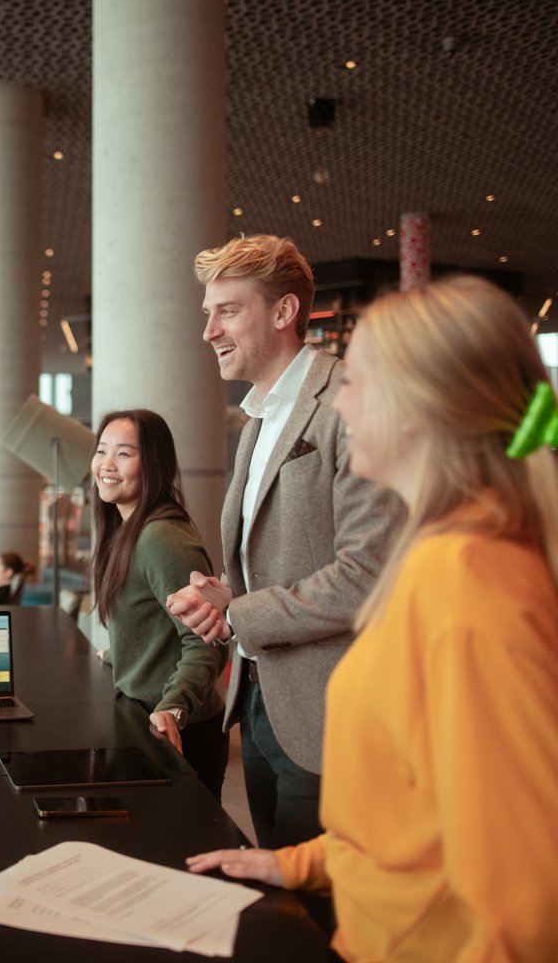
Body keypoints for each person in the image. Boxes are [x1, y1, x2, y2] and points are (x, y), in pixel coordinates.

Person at [187, 275, 558, 961]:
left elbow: (532, 905)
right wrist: (296, 866)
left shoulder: (470, 586)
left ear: (419, 408)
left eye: (355, 380)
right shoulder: (439, 561)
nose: (340, 401)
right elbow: (423, 812)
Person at [166, 235, 403, 853]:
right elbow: (291, 556)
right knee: (282, 902)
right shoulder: (258, 417)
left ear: (283, 312)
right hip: (259, 704)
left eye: (227, 310)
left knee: (319, 923)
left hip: (334, 715)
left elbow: (367, 573)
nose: (209, 330)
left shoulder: (350, 400)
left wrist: (241, 614)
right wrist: (227, 596)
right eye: (207, 312)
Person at [90, 410, 228, 798]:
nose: (107, 465)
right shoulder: (127, 529)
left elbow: (207, 641)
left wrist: (174, 707)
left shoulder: (161, 538)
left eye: (124, 454)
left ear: (154, 465)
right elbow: (156, 624)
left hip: (180, 732)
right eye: (102, 451)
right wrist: (124, 653)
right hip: (145, 718)